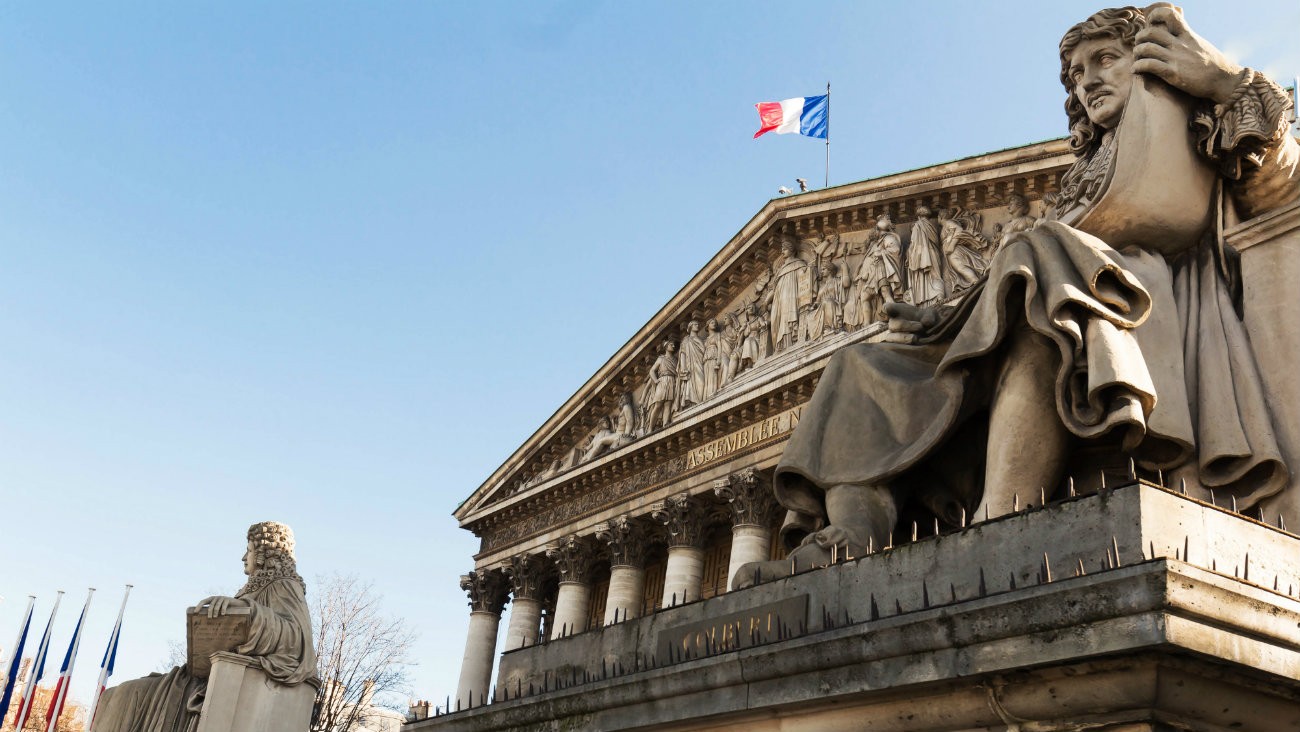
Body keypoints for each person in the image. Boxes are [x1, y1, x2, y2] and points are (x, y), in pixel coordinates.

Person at [738, 5, 1299, 585]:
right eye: (1078, 74)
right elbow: (1006, 274)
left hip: (1141, 304)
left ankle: (1003, 516)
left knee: (1038, 263)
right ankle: (853, 536)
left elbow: (1279, 182)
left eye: (1106, 59)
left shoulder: (1195, 116)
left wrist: (1227, 82)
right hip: (1040, 296)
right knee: (860, 362)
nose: (1089, 81)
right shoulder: (1082, 172)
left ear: (1153, 61)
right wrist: (938, 313)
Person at [92, 522, 316, 731]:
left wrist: (248, 609)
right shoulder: (257, 587)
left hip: (224, 680)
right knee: (113, 695)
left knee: (128, 695)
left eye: (248, 550)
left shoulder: (284, 585)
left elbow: (296, 638)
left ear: (263, 554)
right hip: (204, 675)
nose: (243, 557)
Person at [854, 215, 904, 324]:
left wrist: (881, 253)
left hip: (881, 270)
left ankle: (894, 317)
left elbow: (895, 249)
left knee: (886, 293)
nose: (873, 233)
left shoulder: (888, 238)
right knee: (864, 297)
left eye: (875, 230)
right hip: (872, 274)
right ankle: (866, 325)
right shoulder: (876, 244)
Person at [768, 237, 813, 352]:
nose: (782, 251)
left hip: (791, 296)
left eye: (785, 249)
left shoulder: (799, 264)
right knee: (780, 319)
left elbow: (805, 279)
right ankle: (781, 343)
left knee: (789, 317)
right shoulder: (780, 271)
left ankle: (790, 342)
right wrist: (766, 301)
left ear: (792, 250)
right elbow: (774, 289)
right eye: (782, 249)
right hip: (779, 300)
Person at [906, 205, 947, 306]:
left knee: (927, 278)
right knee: (936, 276)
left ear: (919, 216)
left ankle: (926, 301)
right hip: (934, 255)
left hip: (922, 257)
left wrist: (909, 256)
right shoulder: (932, 226)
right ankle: (939, 295)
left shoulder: (918, 226)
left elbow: (915, 244)